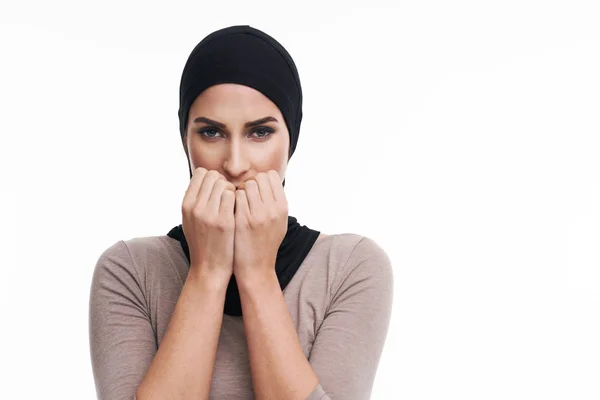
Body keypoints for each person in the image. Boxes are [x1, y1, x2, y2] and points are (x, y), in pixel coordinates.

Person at [89, 25, 394, 400]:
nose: (234, 164)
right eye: (212, 133)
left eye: (260, 133)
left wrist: (257, 273)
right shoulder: (130, 271)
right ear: (186, 140)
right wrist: (208, 272)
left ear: (291, 141)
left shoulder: (350, 267)